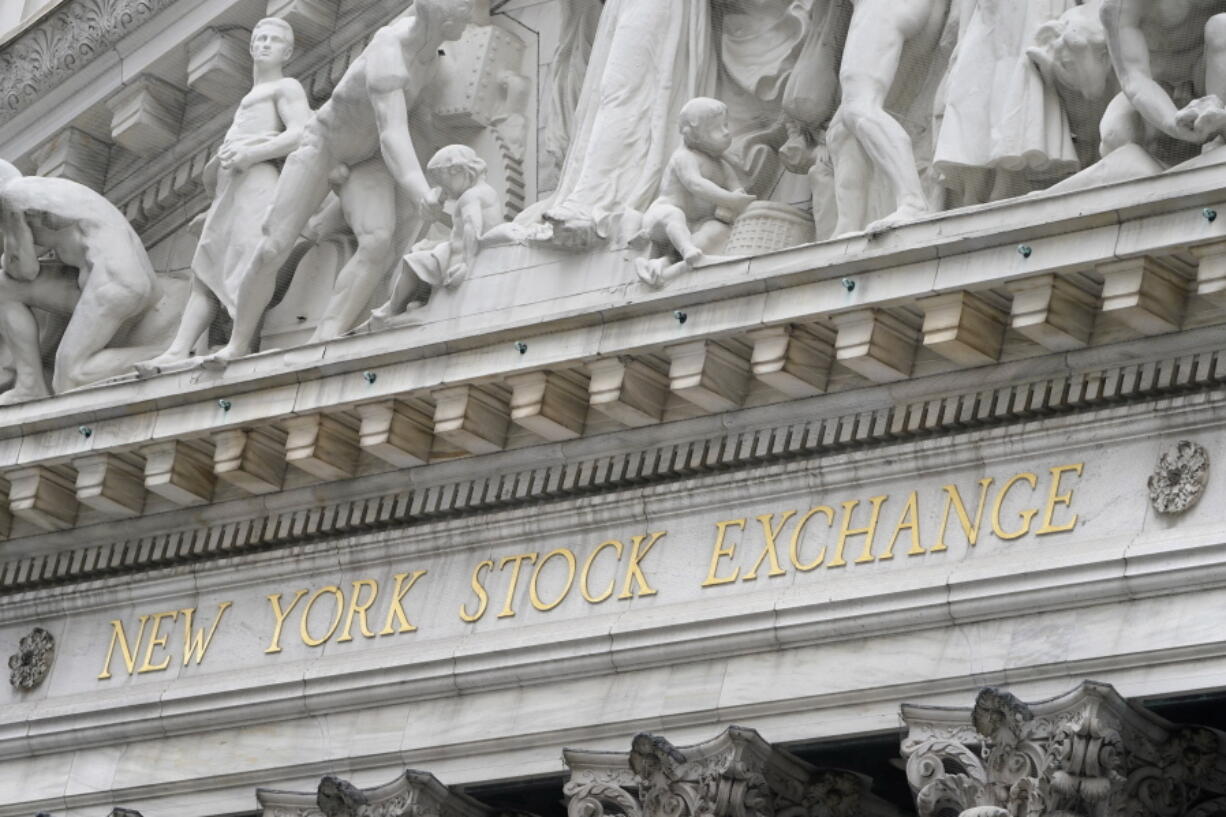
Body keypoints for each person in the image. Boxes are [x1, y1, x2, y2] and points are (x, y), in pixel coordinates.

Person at [199, 0, 473, 368]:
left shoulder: (433, 61)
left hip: (367, 159)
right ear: (439, 17)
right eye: (461, 14)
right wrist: (420, 191)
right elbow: (392, 132)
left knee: (378, 243)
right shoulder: (388, 47)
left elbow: (414, 130)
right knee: (270, 249)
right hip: (324, 147)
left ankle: (324, 338)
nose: (468, 20)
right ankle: (237, 344)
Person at [134, 18, 310, 375]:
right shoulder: (250, 97)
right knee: (205, 269)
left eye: (274, 40)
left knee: (250, 262)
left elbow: (302, 133)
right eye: (259, 37)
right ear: (250, 47)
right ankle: (178, 350)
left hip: (257, 181)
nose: (264, 44)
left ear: (288, 51)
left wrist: (252, 154)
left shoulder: (286, 87)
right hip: (231, 187)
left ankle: (239, 343)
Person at [0, 160, 159, 403]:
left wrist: (9, 245)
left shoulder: (11, 197)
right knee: (4, 288)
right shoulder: (43, 194)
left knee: (69, 379)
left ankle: (170, 352)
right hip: (120, 280)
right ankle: (30, 384)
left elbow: (23, 270)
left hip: (115, 284)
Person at [827, 0, 949, 236]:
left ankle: (912, 202)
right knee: (842, 129)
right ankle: (847, 228)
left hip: (883, 7)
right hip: (907, 11)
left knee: (859, 106)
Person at [367, 145, 501, 328]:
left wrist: (467, 265)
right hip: (456, 251)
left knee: (413, 262)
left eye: (444, 184)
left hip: (460, 257)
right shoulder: (485, 192)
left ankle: (392, 309)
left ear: (457, 171)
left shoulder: (470, 197)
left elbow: (472, 227)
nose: (444, 190)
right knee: (423, 249)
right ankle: (418, 302)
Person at [635, 98, 755, 289]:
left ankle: (663, 264)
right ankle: (688, 250)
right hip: (660, 220)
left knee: (719, 230)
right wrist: (731, 200)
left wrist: (739, 197)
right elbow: (696, 184)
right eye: (717, 129)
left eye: (725, 125)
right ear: (693, 135)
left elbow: (735, 185)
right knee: (674, 215)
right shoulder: (684, 157)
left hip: (694, 225)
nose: (726, 133)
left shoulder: (721, 164)